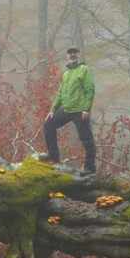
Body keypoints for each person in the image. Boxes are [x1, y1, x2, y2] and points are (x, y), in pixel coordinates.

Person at [40, 46, 96, 175]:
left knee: (86, 138)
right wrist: (53, 109)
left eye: (74, 53)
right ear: (67, 56)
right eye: (70, 53)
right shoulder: (66, 73)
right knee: (48, 125)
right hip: (66, 109)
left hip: (80, 110)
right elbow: (60, 92)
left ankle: (90, 168)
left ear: (78, 54)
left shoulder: (84, 69)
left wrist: (87, 109)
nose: (72, 55)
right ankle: (53, 157)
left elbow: (90, 89)